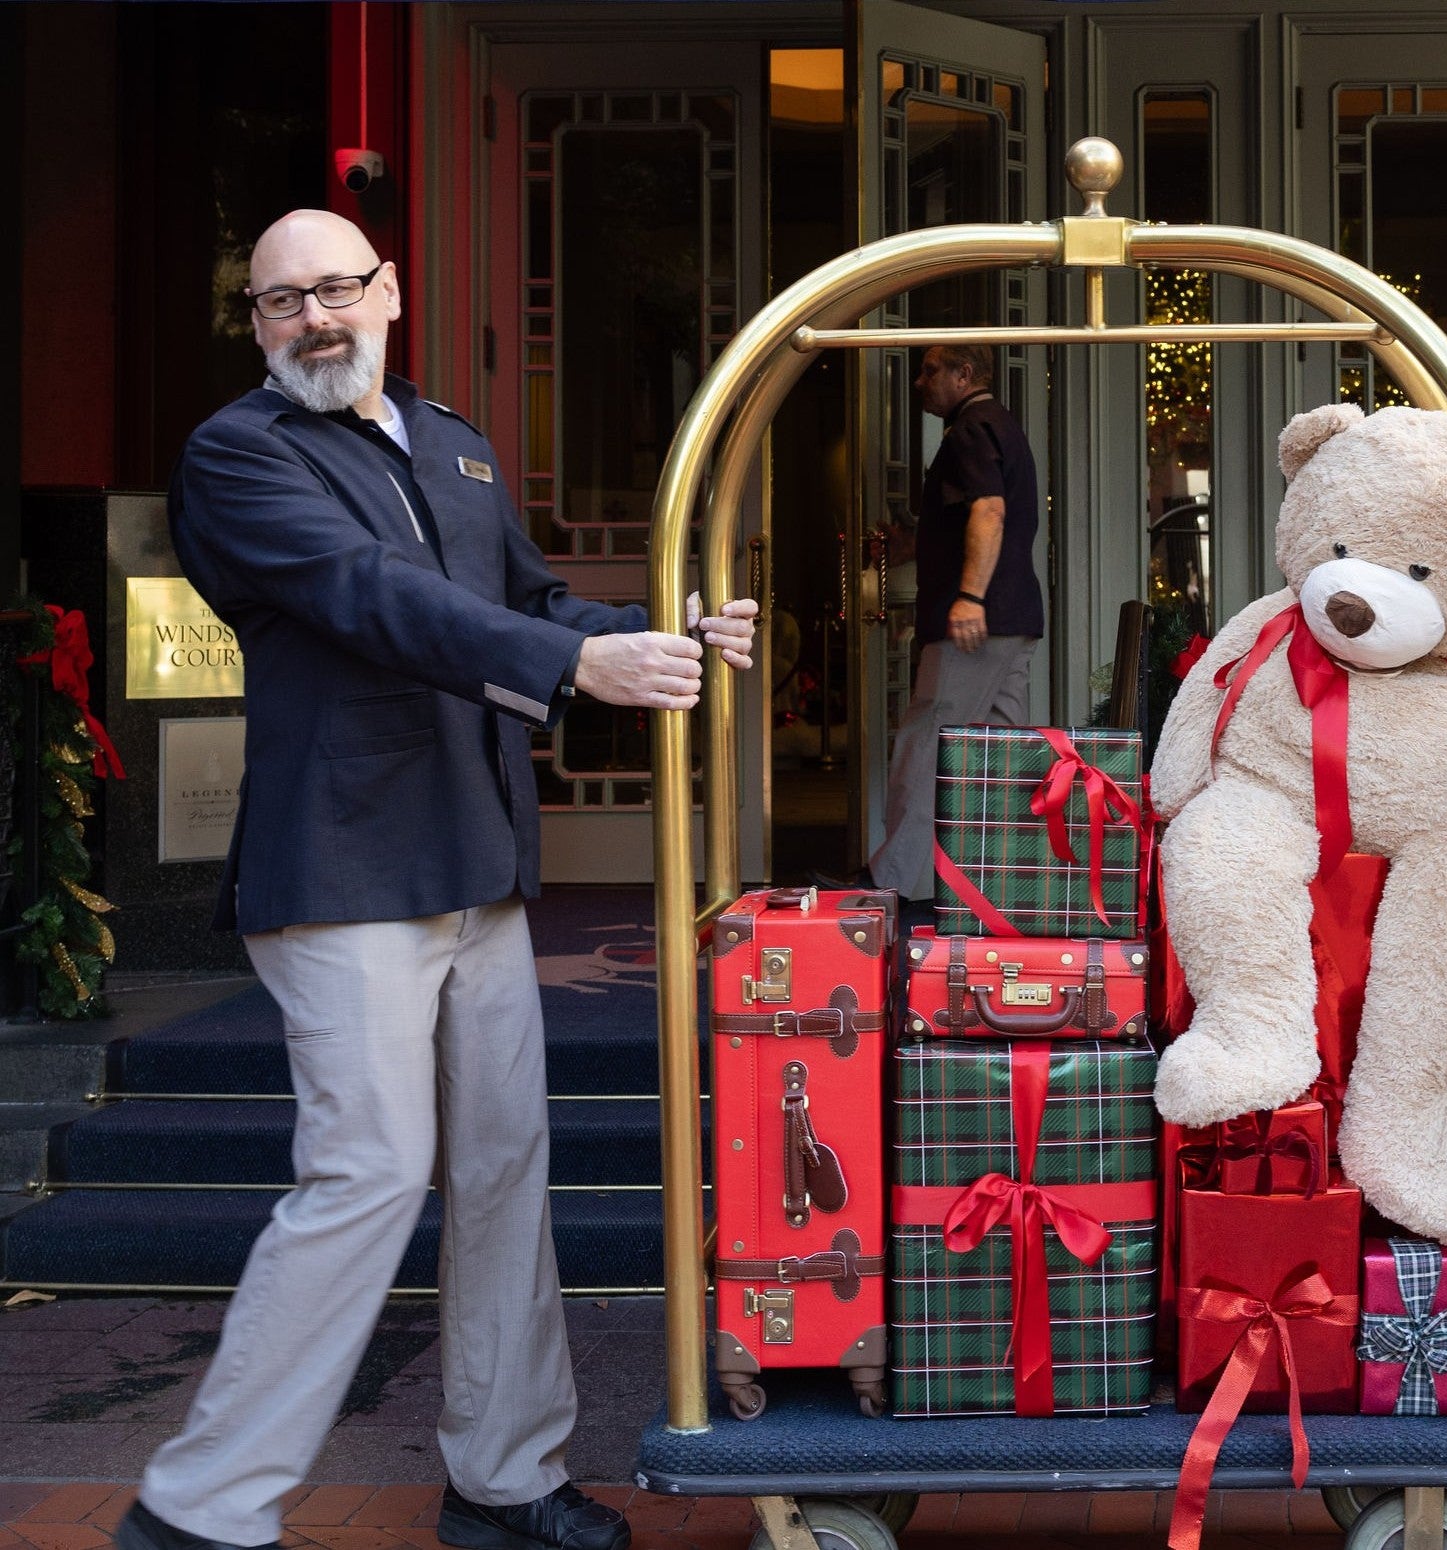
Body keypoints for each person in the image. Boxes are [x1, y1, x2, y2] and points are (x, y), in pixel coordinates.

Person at [116, 210, 759, 1550]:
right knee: (367, 1173)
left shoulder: (455, 441)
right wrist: (576, 669)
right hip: (344, 868)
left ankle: (505, 1477)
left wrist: (657, 636)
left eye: (337, 288)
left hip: (477, 856)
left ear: (390, 291)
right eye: (281, 301)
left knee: (503, 1167)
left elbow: (526, 597)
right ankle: (196, 1508)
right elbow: (370, 599)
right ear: (256, 323)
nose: (314, 318)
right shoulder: (238, 452)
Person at [864, 343, 1044, 901]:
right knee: (1000, 753)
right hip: (1013, 619)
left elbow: (990, 511)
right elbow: (978, 519)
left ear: (964, 374)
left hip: (975, 624)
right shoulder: (1002, 426)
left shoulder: (970, 429)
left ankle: (886, 884)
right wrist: (918, 547)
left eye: (930, 370)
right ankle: (1009, 888)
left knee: (928, 742)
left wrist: (967, 596)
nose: (920, 381)